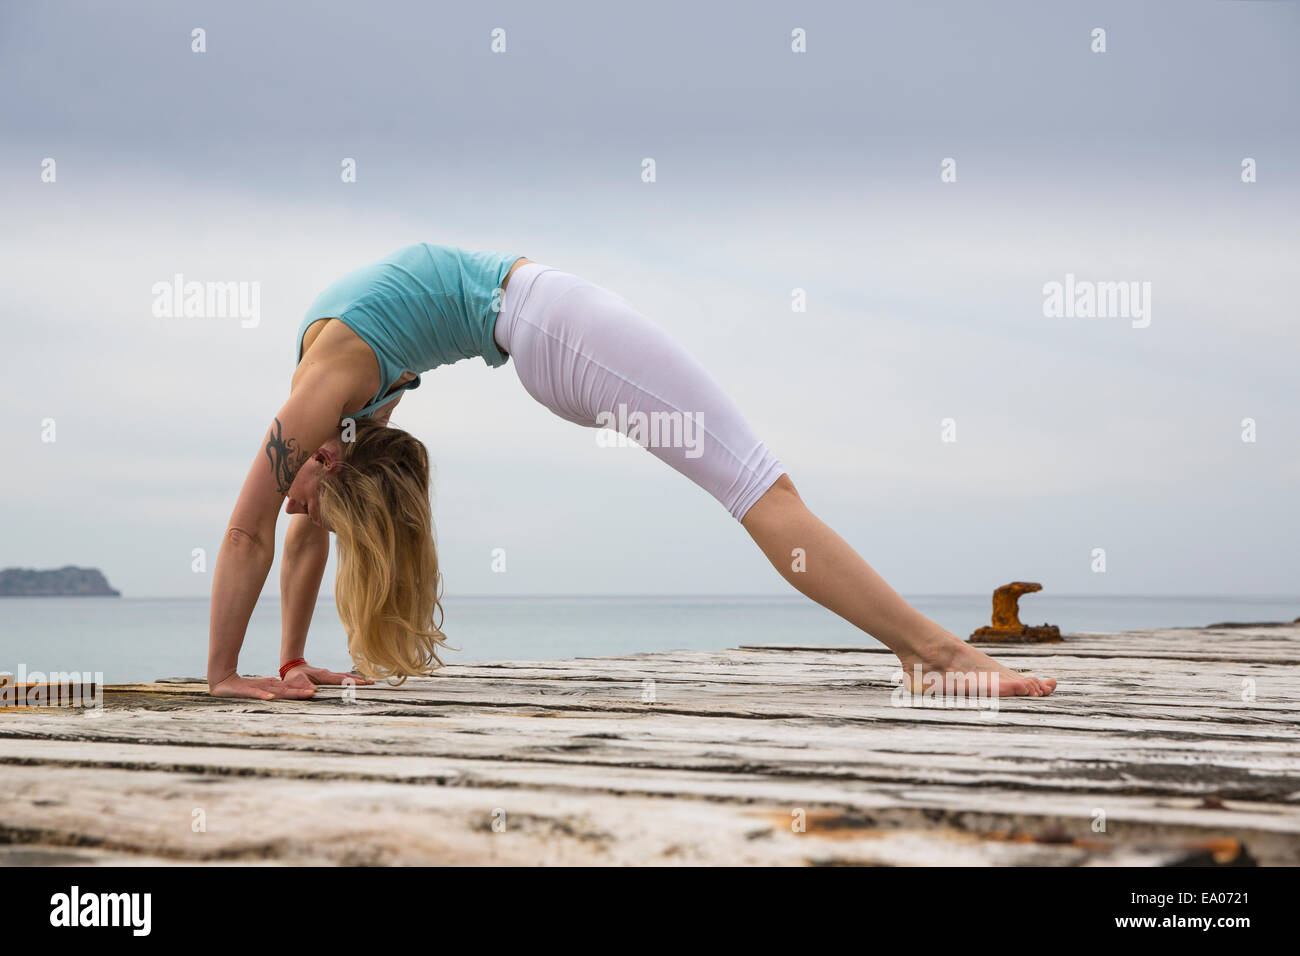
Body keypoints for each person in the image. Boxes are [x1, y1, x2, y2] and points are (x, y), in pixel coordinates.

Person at [206, 243, 1057, 700]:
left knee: (759, 487)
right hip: (549, 329)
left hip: (549, 329)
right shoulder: (338, 408)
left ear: (323, 454)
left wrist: (262, 663)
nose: (293, 507)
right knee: (762, 490)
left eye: (300, 496)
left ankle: (923, 649)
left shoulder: (327, 395)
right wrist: (257, 668)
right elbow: (273, 531)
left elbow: (260, 530)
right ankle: (935, 651)